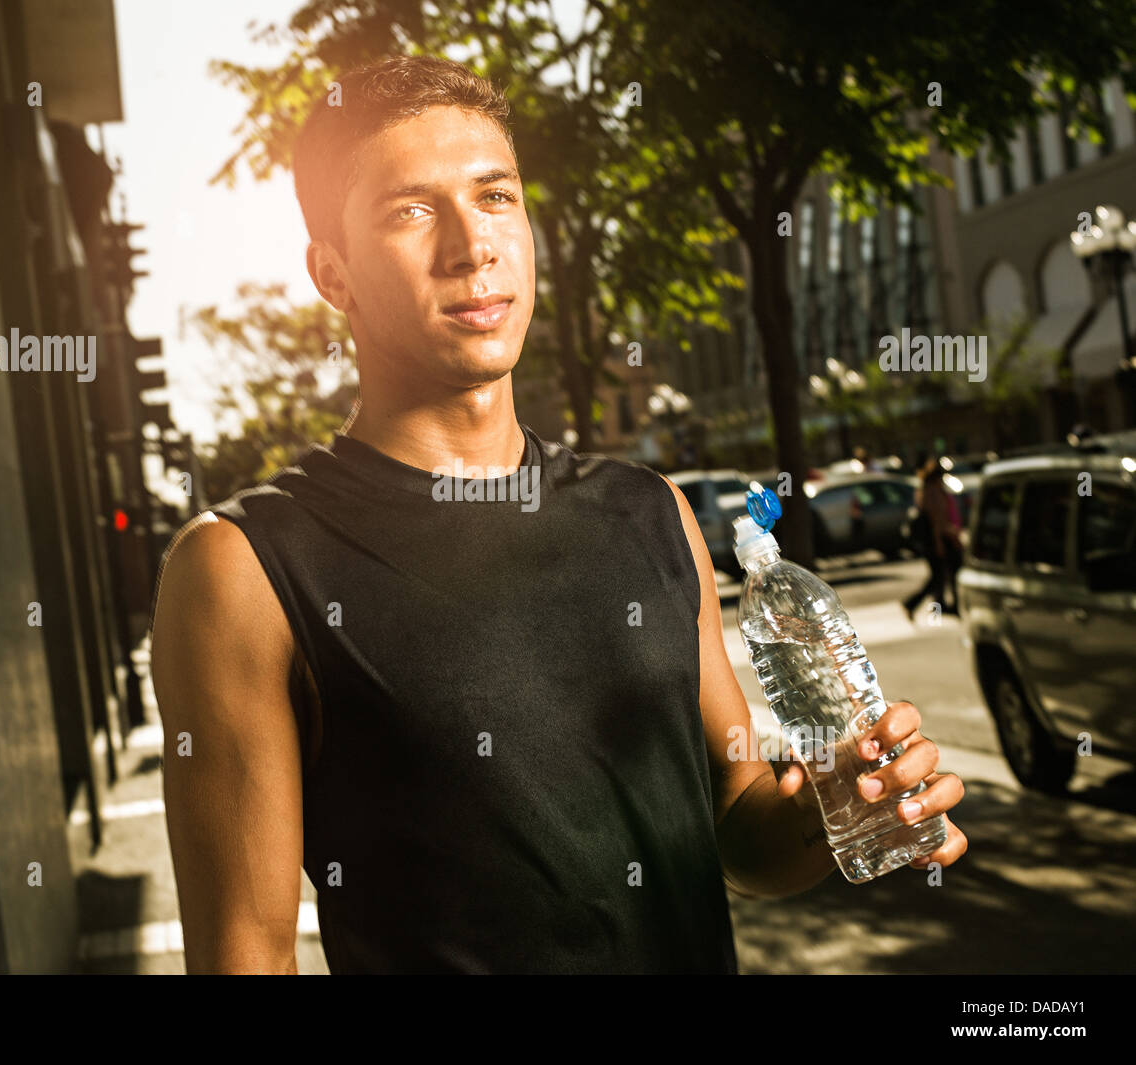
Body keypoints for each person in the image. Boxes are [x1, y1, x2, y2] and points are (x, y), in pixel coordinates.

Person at [149, 55, 967, 975]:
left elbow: (737, 823)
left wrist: (839, 806)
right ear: (330, 273)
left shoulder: (650, 512)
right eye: (410, 211)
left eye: (495, 196)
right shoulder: (244, 569)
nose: (471, 245)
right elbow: (244, 955)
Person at [902, 457, 961, 620]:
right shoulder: (931, 492)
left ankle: (939, 606)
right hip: (937, 540)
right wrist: (939, 544)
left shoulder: (928, 490)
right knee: (939, 577)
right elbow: (936, 521)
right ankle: (915, 604)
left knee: (940, 577)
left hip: (939, 539)